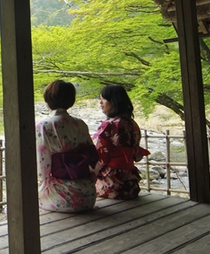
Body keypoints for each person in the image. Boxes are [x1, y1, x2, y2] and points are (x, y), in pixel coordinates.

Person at [36, 80, 98, 213]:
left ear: (48, 100)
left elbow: (42, 165)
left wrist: (43, 185)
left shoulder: (44, 125)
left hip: (64, 198)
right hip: (88, 196)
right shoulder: (80, 124)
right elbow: (92, 155)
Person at [93, 84, 150, 200]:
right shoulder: (132, 123)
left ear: (114, 101)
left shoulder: (110, 125)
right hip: (130, 182)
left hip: (111, 183)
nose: (101, 103)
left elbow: (100, 155)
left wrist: (92, 172)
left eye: (103, 99)